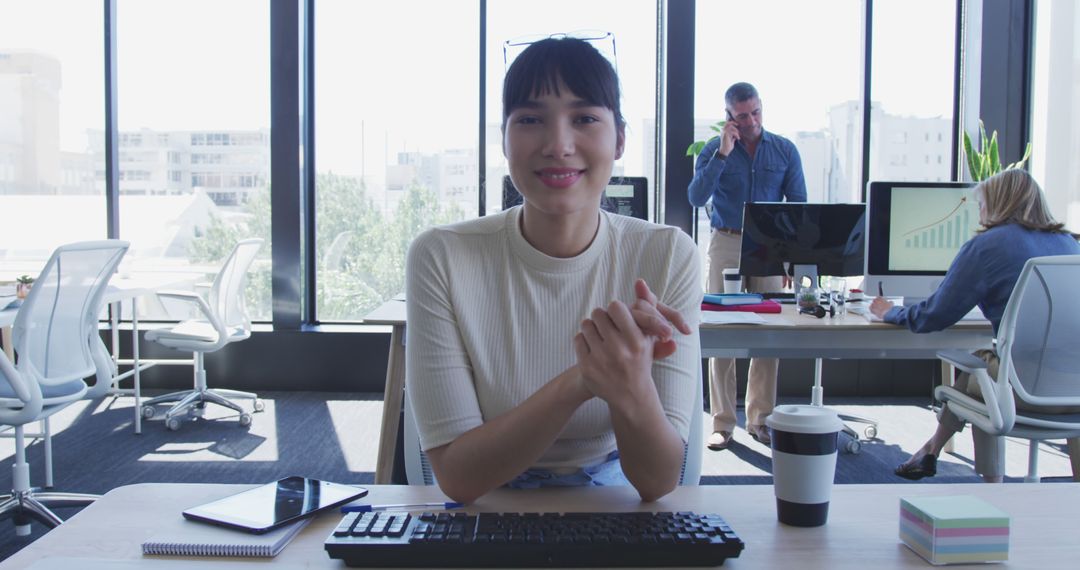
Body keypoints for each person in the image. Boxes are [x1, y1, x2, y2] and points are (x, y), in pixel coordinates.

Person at [405, 36, 701, 504]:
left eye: (584, 118)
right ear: (503, 137)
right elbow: (458, 478)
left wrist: (630, 384)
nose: (558, 144)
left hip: (616, 501)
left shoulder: (666, 255)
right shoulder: (441, 257)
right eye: (529, 120)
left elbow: (657, 480)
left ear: (620, 138)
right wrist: (583, 379)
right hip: (486, 504)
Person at [870, 169, 1080, 482]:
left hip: (1020, 392)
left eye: (981, 206)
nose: (980, 214)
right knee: (988, 366)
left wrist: (891, 313)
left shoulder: (987, 245)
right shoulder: (1069, 244)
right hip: (1072, 391)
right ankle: (931, 449)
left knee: (978, 367)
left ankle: (991, 483)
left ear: (997, 204)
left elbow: (935, 316)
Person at [687, 82, 806, 451]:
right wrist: (723, 153)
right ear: (729, 117)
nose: (752, 120)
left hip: (769, 246)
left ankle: (760, 419)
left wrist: (790, 256)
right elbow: (695, 197)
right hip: (727, 241)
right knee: (720, 330)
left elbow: (798, 206)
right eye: (743, 115)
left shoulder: (784, 149)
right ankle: (722, 423)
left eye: (756, 112)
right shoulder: (713, 149)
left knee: (768, 332)